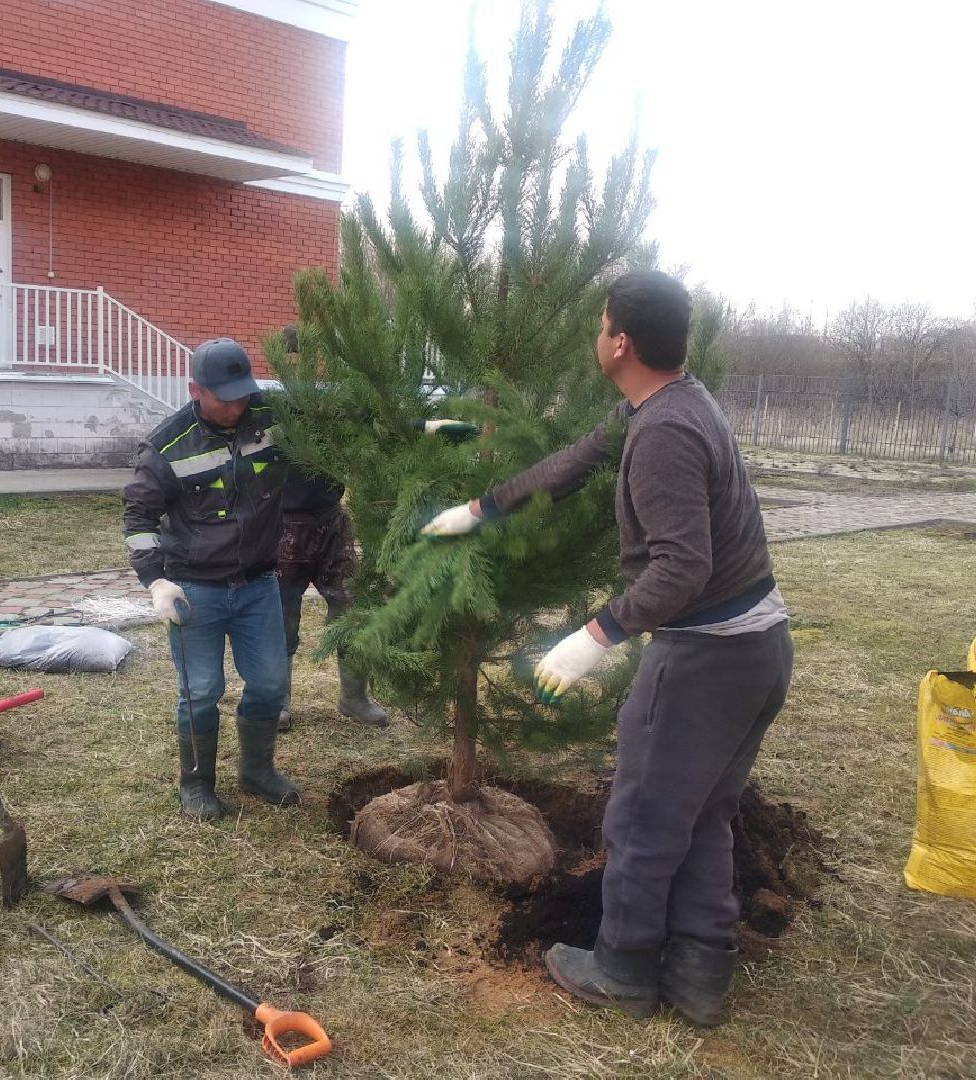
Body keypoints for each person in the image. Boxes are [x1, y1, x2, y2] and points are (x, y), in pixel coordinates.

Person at [421, 270, 793, 1027]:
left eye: (600, 325)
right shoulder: (670, 402)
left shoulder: (664, 433)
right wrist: (483, 508)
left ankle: (622, 969)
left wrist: (593, 637)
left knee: (645, 819)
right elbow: (578, 458)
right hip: (758, 647)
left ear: (620, 341)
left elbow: (682, 566)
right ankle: (697, 976)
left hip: (707, 657)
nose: (596, 337)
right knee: (702, 817)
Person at [123, 337, 297, 822]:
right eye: (226, 398)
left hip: (258, 583)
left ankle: (257, 771)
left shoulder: (271, 416)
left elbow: (342, 418)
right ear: (195, 389)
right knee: (201, 689)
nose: (238, 406)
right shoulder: (166, 447)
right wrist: (155, 582)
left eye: (243, 394)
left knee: (269, 682)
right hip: (193, 589)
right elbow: (138, 520)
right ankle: (196, 784)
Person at [273, 326, 478, 732]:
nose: (307, 366)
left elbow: (384, 425)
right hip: (284, 528)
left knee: (351, 607)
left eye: (314, 356)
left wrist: (433, 428)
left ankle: (354, 697)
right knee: (281, 618)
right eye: (296, 356)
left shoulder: (337, 403)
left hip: (331, 520)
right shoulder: (273, 406)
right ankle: (277, 702)